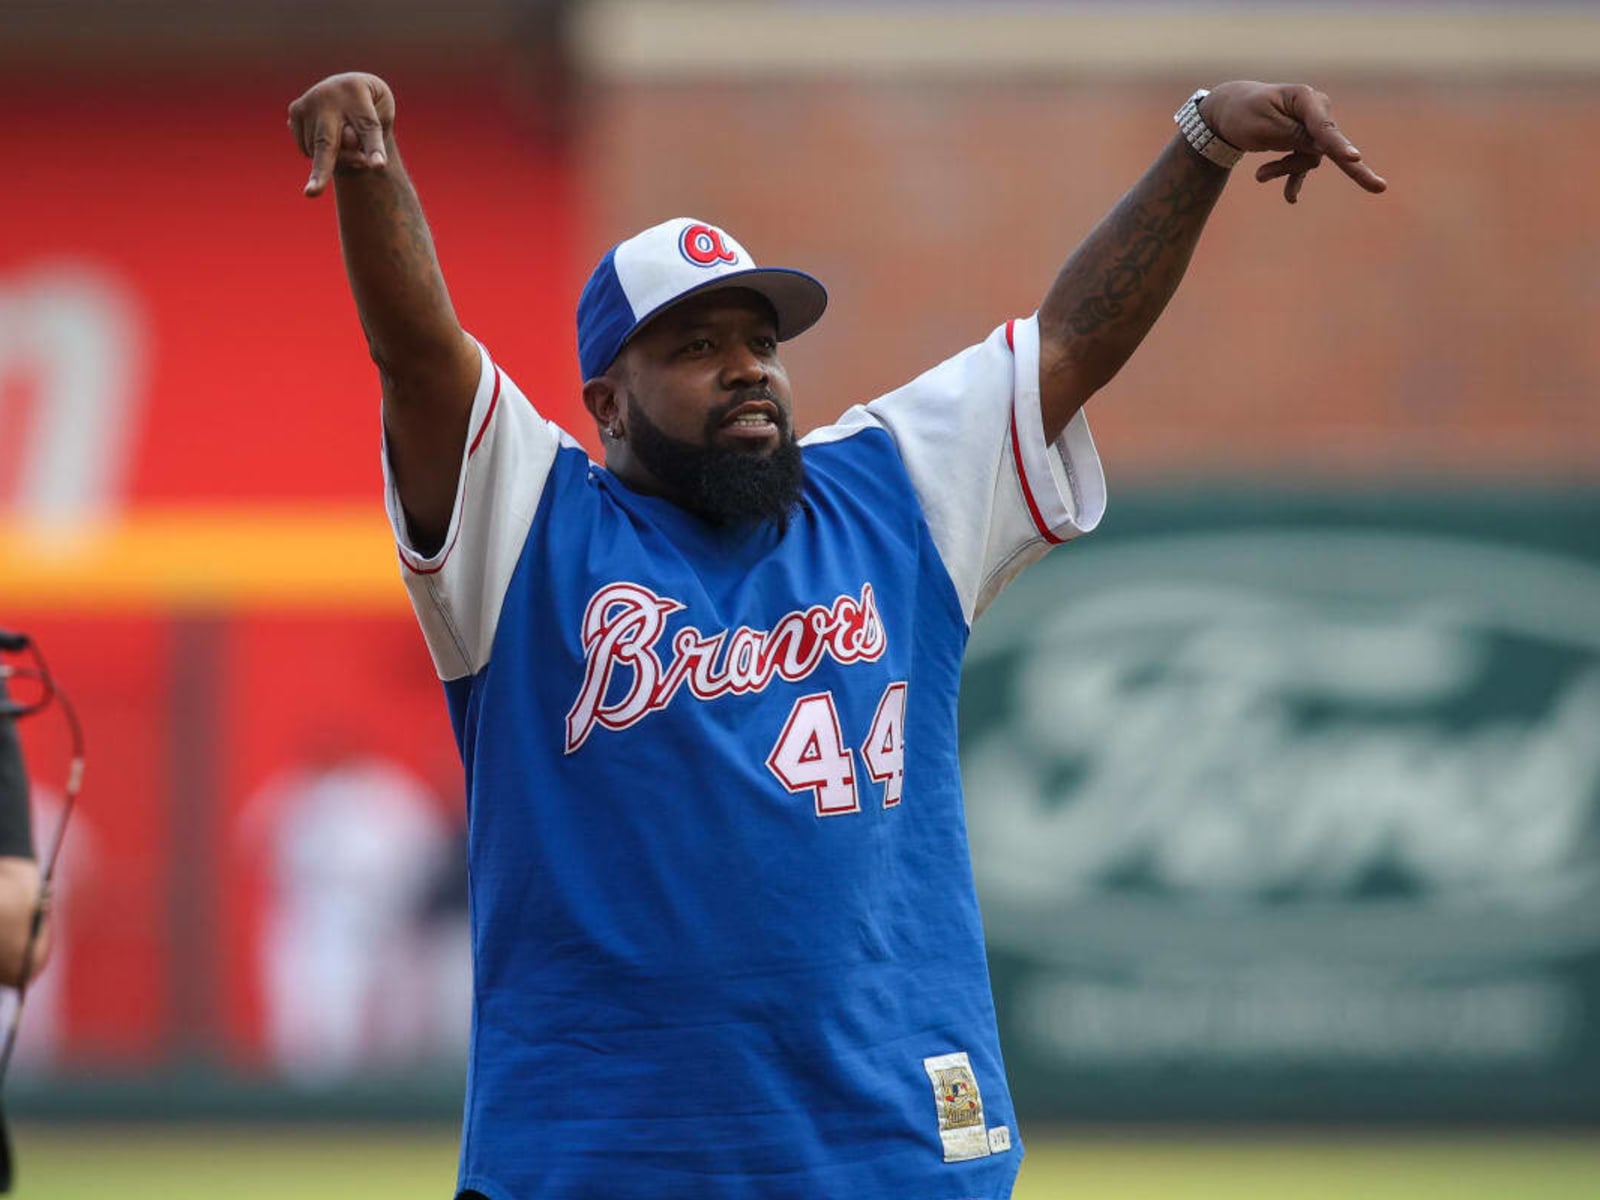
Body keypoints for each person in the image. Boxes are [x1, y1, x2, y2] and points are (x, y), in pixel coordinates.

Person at [287, 71, 1384, 1199]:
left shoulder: (883, 489)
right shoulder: (529, 529)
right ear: (606, 404)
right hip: (603, 1157)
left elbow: (1068, 341)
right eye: (696, 345)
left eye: (760, 338)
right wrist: (371, 167)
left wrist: (1198, 143)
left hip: (892, 1141)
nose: (747, 366)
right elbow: (421, 363)